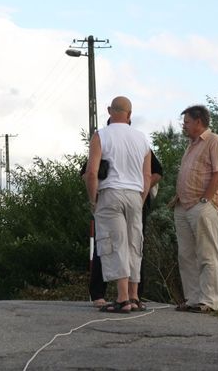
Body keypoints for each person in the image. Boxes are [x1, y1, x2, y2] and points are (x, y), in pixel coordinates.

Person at [85, 96, 151, 313]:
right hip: (134, 194)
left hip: (111, 193)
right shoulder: (142, 139)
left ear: (109, 111)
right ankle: (134, 296)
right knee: (134, 244)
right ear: (130, 114)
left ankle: (122, 299)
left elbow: (92, 173)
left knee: (114, 244)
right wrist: (140, 200)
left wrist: (93, 199)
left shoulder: (101, 135)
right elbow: (147, 176)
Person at [171, 105, 218, 313]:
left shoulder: (215, 141)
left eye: (186, 122)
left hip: (202, 206)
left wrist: (205, 200)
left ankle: (208, 301)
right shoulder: (191, 145)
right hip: (183, 206)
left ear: (198, 122)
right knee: (186, 255)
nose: (184, 126)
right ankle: (193, 298)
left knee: (207, 254)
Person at [86, 150, 162, 307]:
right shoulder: (131, 140)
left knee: (116, 244)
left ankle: (126, 297)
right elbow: (88, 172)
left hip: (120, 197)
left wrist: (93, 200)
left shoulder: (107, 139)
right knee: (129, 246)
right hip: (130, 199)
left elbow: (156, 173)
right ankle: (124, 296)